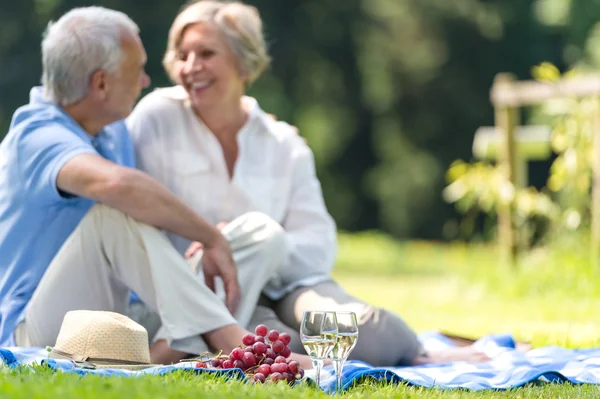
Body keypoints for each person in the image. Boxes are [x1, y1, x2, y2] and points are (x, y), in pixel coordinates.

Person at [127, 0, 489, 366]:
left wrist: (255, 244)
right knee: (275, 346)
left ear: (244, 62)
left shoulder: (284, 143)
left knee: (380, 334)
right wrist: (215, 238)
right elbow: (130, 209)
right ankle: (310, 362)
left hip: (288, 286)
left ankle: (420, 354)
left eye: (206, 53)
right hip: (206, 295)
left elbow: (317, 243)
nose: (190, 68)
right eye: (183, 55)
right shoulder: (156, 118)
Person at [0, 6, 313, 369]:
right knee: (110, 216)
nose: (146, 81)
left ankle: (168, 352)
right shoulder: (36, 136)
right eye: (137, 71)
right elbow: (120, 185)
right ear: (101, 83)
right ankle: (228, 338)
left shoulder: (111, 128)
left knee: (262, 233)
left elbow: (180, 121)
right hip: (38, 330)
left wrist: (258, 124)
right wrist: (210, 236)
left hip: (126, 317)